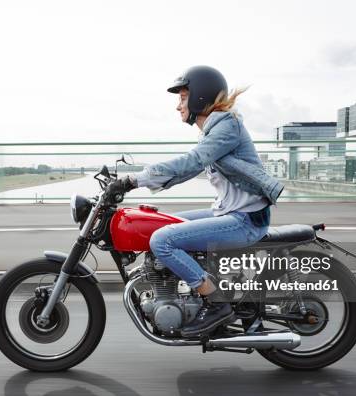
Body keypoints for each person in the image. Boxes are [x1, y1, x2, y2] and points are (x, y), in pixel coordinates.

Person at [107, 65, 283, 337]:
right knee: (163, 225)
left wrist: (133, 180)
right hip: (230, 212)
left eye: (183, 97)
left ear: (200, 97)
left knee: (162, 240)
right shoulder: (216, 129)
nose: (178, 106)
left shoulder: (227, 126)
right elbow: (188, 170)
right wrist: (136, 184)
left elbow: (191, 161)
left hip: (245, 220)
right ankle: (194, 291)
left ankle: (216, 302)